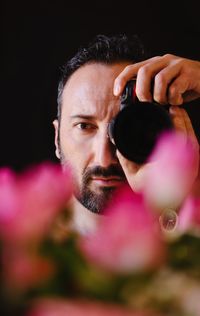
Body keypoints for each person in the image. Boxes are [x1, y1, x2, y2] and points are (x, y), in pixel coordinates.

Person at [53, 34, 200, 235]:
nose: (104, 159)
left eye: (122, 126)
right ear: (56, 139)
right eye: (84, 126)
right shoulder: (18, 246)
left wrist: (172, 202)